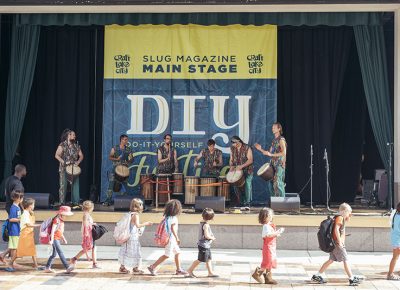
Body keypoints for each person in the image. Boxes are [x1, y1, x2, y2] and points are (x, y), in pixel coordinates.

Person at [311, 203, 363, 286]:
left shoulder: (338, 217)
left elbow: (338, 230)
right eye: (349, 212)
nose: (350, 214)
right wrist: (339, 242)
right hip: (337, 244)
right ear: (343, 211)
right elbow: (336, 230)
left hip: (335, 243)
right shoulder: (340, 218)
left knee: (331, 260)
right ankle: (351, 278)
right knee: (345, 260)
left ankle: (317, 275)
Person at [147, 199, 187, 276]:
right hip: (171, 239)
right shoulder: (174, 218)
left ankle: (179, 270)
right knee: (167, 255)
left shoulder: (167, 217)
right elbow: (173, 229)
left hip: (169, 239)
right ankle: (152, 266)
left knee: (177, 253)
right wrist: (177, 238)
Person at [118, 198, 153, 274]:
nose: (142, 206)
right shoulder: (136, 215)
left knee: (126, 251)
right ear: (138, 206)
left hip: (128, 236)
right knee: (135, 251)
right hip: (133, 237)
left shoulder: (130, 213)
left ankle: (122, 267)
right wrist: (146, 223)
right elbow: (137, 225)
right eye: (141, 204)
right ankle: (135, 268)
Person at [252, 207, 284, 284]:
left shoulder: (269, 225)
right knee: (267, 262)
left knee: (270, 262)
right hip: (268, 247)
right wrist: (276, 233)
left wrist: (276, 233)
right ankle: (257, 274)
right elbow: (267, 235)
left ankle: (268, 278)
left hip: (271, 247)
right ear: (264, 218)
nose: (270, 217)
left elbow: (271, 235)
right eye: (268, 215)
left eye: (270, 215)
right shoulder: (266, 226)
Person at [255, 122, 287, 198]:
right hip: (272, 164)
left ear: (279, 129)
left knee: (278, 183)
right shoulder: (274, 141)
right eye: (272, 127)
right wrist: (260, 149)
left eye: (274, 127)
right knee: (271, 183)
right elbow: (268, 153)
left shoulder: (281, 139)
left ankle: (282, 202)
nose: (272, 129)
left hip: (279, 164)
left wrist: (271, 155)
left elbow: (284, 152)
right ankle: (274, 201)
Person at [68, 201, 100, 271]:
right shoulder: (86, 215)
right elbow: (85, 225)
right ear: (90, 208)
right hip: (88, 234)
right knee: (89, 248)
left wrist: (92, 224)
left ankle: (75, 259)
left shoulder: (86, 214)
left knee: (91, 248)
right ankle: (94, 263)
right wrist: (86, 234)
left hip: (89, 233)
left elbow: (87, 224)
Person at [55, 129, 83, 206]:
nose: (75, 136)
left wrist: (78, 162)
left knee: (75, 185)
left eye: (74, 135)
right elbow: (56, 155)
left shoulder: (76, 146)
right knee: (63, 185)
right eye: (73, 135)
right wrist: (64, 162)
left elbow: (81, 156)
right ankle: (62, 202)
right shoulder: (62, 145)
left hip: (74, 168)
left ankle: (76, 202)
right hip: (64, 168)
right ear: (68, 135)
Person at [187, 208, 218, 278]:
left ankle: (210, 272)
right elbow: (206, 235)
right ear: (211, 218)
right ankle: (189, 270)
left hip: (206, 245)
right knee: (200, 259)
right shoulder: (206, 225)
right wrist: (212, 238)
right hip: (204, 245)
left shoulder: (201, 222)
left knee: (209, 259)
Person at [103, 134, 134, 206]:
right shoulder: (115, 148)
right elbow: (110, 157)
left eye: (127, 139)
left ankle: (125, 201)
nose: (126, 141)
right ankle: (108, 200)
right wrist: (117, 159)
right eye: (125, 139)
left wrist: (130, 159)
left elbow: (131, 160)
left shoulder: (128, 149)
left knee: (125, 185)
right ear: (121, 140)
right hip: (115, 169)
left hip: (124, 169)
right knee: (111, 185)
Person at [14, 198, 43, 270]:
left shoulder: (29, 213)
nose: (34, 206)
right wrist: (39, 225)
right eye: (33, 205)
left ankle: (36, 265)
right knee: (20, 251)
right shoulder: (25, 214)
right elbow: (28, 225)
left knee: (32, 250)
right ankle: (11, 262)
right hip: (25, 234)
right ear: (29, 205)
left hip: (29, 233)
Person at [45, 206, 74, 273]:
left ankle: (47, 267)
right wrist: (51, 240)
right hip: (54, 238)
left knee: (53, 255)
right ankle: (67, 267)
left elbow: (60, 231)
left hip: (57, 238)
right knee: (60, 252)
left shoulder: (61, 220)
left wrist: (63, 238)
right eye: (65, 215)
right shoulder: (56, 220)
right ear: (61, 214)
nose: (66, 217)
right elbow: (52, 231)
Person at [1, 190, 23, 272]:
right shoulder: (13, 208)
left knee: (13, 247)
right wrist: (20, 219)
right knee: (14, 248)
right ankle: (12, 263)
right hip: (14, 230)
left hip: (16, 229)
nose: (22, 199)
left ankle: (4, 257)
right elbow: (11, 219)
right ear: (17, 198)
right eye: (21, 197)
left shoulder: (17, 207)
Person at [229, 136, 253, 207]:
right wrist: (231, 166)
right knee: (236, 185)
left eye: (235, 143)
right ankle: (241, 202)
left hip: (247, 170)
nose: (234, 145)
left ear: (238, 141)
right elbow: (231, 159)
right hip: (237, 171)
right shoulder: (232, 148)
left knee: (247, 185)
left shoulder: (247, 147)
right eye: (233, 143)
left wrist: (242, 166)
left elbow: (250, 160)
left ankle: (247, 202)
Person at [387, 202, 400, 280]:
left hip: (396, 239)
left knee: (395, 257)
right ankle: (390, 274)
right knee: (395, 257)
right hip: (398, 240)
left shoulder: (396, 214)